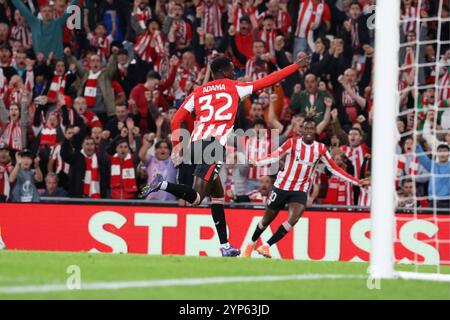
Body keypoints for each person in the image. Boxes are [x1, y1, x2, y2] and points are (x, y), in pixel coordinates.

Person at [139, 55, 305, 257]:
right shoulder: (234, 87)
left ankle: (225, 245)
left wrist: (177, 146)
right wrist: (296, 66)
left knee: (218, 195)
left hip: (196, 142)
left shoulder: (197, 92)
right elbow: (268, 80)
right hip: (214, 146)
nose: (234, 72)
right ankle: (160, 184)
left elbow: (176, 120)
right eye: (232, 69)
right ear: (225, 72)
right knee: (197, 198)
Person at [242, 118, 369, 258]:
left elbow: (334, 168)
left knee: (294, 219)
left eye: (311, 128)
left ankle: (266, 246)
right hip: (282, 186)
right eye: (306, 128)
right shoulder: (292, 143)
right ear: (302, 130)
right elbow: (274, 156)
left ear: (315, 131)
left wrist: (356, 181)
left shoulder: (320, 148)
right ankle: (251, 243)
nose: (309, 131)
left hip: (300, 190)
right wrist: (257, 162)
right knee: (266, 220)